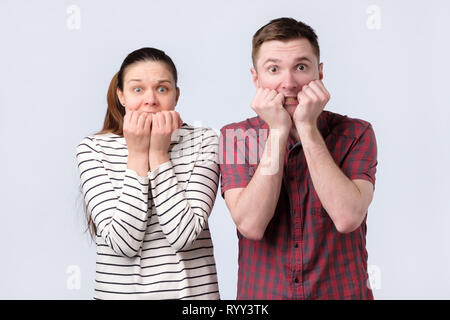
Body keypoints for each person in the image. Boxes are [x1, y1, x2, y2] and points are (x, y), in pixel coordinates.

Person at [219, 17, 378, 299]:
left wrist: (307, 128)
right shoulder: (236, 136)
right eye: (273, 69)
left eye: (301, 67)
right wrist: (278, 132)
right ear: (256, 78)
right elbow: (252, 225)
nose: (288, 83)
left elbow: (347, 217)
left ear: (320, 72)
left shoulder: (356, 133)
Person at [76, 47, 220, 300]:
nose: (151, 99)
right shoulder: (93, 148)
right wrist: (138, 155)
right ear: (121, 96)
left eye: (162, 88)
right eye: (138, 89)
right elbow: (123, 243)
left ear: (176, 95)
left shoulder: (204, 141)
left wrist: (158, 155)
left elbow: (183, 236)